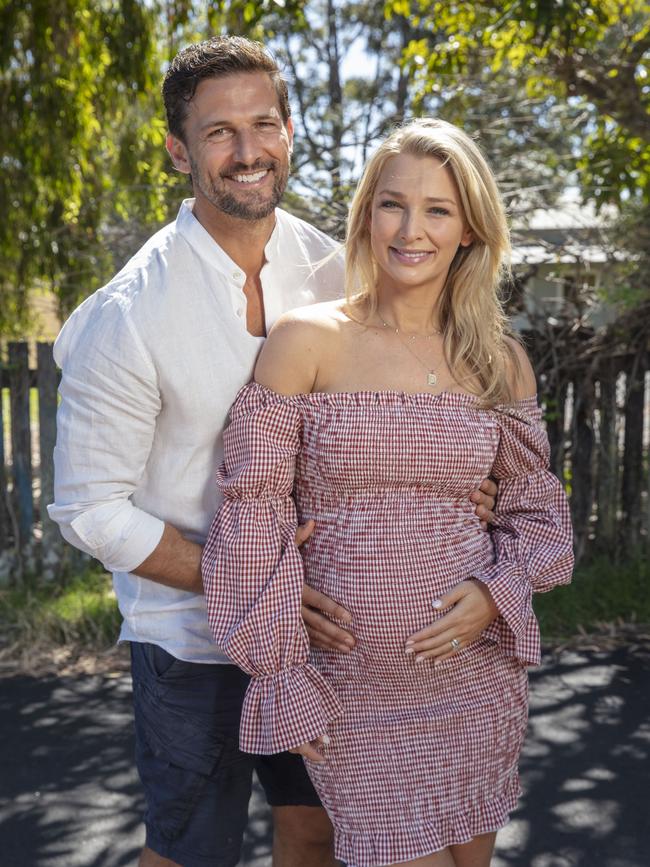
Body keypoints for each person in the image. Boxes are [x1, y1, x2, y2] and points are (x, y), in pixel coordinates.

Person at [48, 38, 497, 867]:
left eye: (264, 124)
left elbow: (401, 407)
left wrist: (470, 494)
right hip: (192, 637)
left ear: (290, 133)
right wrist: (252, 580)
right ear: (180, 151)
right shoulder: (128, 314)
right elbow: (88, 508)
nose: (247, 150)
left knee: (318, 828)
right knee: (193, 848)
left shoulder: (334, 268)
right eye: (219, 133)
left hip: (329, 632)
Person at [202, 117, 574, 867]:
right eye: (393, 204)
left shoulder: (499, 361)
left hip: (475, 682)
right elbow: (251, 516)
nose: (412, 229)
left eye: (438, 209)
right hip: (354, 695)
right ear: (367, 212)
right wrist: (281, 671)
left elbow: (541, 520)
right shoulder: (307, 341)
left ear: (469, 228)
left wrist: (497, 590)